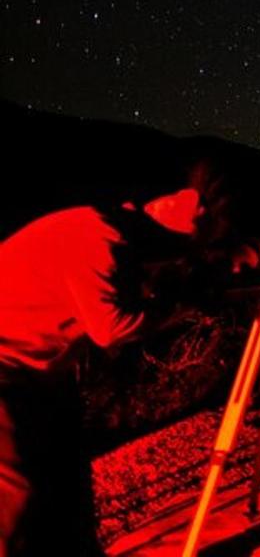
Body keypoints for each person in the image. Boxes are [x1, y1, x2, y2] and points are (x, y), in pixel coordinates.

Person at [0, 169, 235, 556]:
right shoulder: (98, 238)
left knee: (68, 481)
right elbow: (112, 328)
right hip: (7, 367)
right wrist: (184, 302)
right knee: (16, 496)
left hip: (44, 370)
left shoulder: (113, 231)